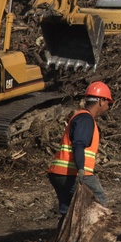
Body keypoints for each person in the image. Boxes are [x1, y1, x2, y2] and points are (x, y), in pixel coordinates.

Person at [47, 81, 114, 223]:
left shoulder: (80, 117)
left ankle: (64, 241)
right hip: (73, 173)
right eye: (108, 103)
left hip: (58, 173)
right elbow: (78, 144)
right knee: (98, 200)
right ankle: (90, 239)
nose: (108, 107)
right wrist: (81, 169)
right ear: (101, 101)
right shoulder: (86, 119)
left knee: (68, 212)